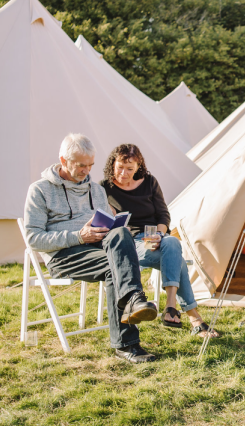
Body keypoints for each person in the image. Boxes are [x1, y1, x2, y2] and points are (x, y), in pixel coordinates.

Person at [24, 134, 159, 363]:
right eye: (81, 165)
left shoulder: (95, 190)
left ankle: (133, 303)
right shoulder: (40, 190)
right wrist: (78, 236)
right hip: (62, 255)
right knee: (116, 268)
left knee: (121, 232)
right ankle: (128, 340)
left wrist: (109, 228)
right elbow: (34, 239)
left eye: (90, 165)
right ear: (63, 160)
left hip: (96, 248)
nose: (87, 170)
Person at [101, 144, 220, 338]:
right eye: (120, 167)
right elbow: (100, 218)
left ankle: (171, 305)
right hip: (128, 243)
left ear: (138, 167)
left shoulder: (149, 182)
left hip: (154, 237)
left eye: (130, 169)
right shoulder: (104, 187)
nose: (124, 173)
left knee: (172, 242)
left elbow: (164, 216)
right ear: (113, 164)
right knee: (177, 260)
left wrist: (158, 234)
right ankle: (191, 316)